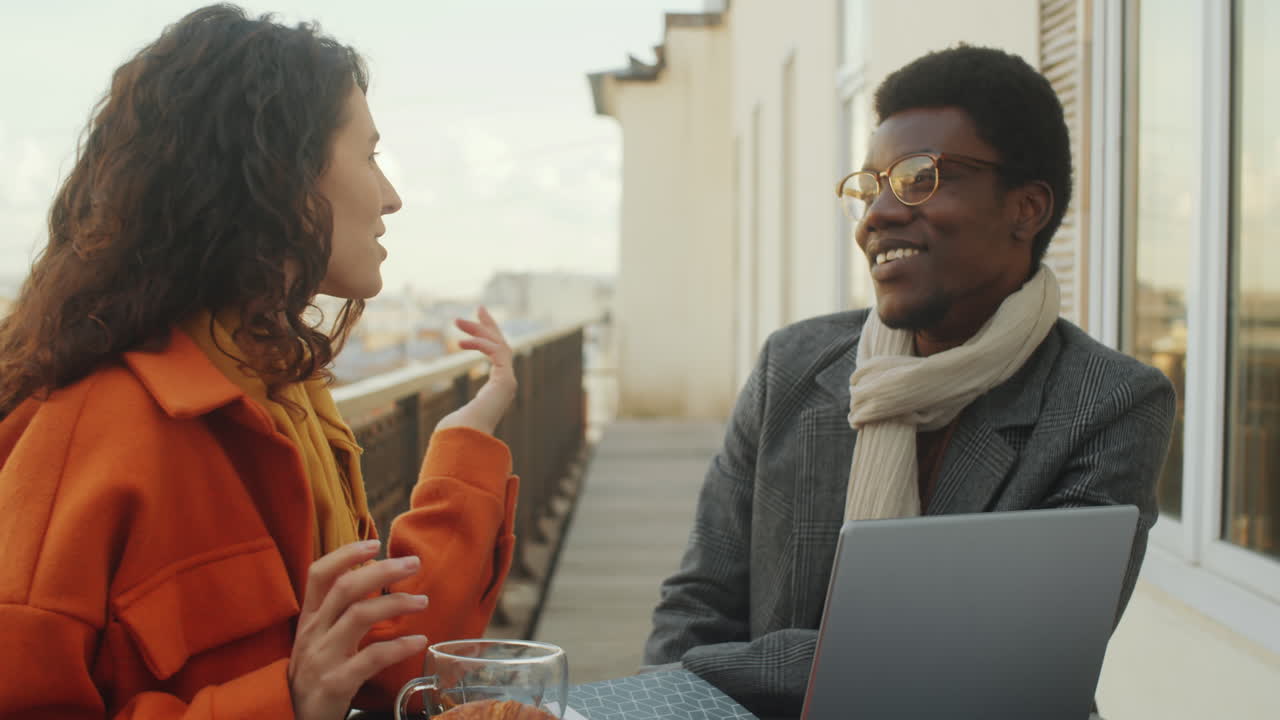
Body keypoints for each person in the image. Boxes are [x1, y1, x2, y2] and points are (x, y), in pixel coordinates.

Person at [0, 5, 520, 719]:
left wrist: (466, 449)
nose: (391, 197)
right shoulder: (88, 430)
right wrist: (286, 701)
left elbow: (379, 665)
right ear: (281, 173)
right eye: (369, 155)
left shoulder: (290, 397)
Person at [644, 45, 1176, 719]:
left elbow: (1002, 663)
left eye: (920, 178)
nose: (877, 216)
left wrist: (724, 668)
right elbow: (697, 602)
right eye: (870, 188)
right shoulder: (794, 367)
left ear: (1025, 208)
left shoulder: (1107, 402)